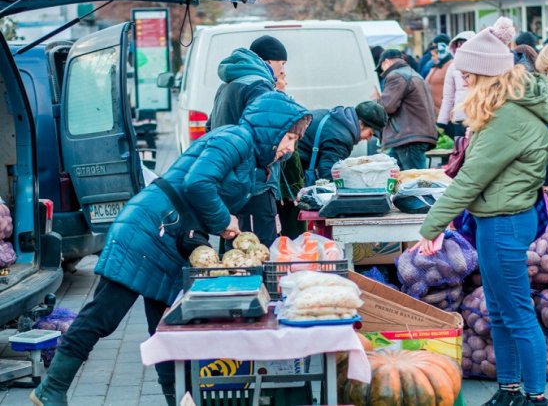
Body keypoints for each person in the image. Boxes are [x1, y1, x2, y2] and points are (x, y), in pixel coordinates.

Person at [30, 93, 311, 406]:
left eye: (295, 141)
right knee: (102, 316)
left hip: (171, 240)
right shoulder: (236, 139)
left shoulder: (253, 160)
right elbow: (197, 183)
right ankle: (50, 389)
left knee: (168, 330)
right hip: (148, 229)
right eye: (289, 138)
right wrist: (223, 221)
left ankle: (181, 400)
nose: (290, 148)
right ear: (272, 129)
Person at [416, 17, 548, 406]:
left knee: (517, 313)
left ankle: (535, 397)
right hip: (497, 220)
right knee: (501, 310)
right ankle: (509, 391)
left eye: (469, 74)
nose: (464, 81)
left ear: (488, 74)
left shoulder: (508, 117)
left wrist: (431, 226)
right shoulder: (502, 111)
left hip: (505, 223)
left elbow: (471, 179)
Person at [208, 35, 289, 247]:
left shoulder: (228, 84)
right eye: (282, 63)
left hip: (230, 179)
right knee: (259, 248)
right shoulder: (259, 85)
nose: (283, 70)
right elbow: (266, 135)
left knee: (234, 247)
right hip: (254, 183)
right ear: (268, 61)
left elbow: (210, 127)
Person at [374, 49, 438, 170]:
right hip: (414, 135)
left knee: (415, 178)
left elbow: (387, 107)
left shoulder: (396, 75)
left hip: (407, 137)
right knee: (396, 174)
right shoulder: (415, 75)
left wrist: (377, 101)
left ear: (386, 62)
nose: (382, 72)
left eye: (381, 67)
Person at [297, 101, 388, 182]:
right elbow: (328, 173)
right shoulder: (342, 138)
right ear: (360, 124)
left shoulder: (336, 117)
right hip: (293, 166)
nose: (368, 139)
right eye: (370, 133)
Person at [437, 31, 476, 138]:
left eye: (463, 43)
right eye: (458, 44)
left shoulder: (481, 64)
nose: (460, 46)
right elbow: (448, 97)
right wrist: (441, 122)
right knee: (461, 147)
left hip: (478, 117)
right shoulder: (453, 67)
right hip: (460, 118)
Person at [425, 35, 454, 118]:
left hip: (446, 114)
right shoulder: (435, 66)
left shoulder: (451, 66)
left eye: (434, 54)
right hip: (433, 113)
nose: (432, 58)